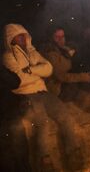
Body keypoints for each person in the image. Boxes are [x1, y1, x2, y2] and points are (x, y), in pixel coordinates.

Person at [2, 24, 83, 171]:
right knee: (42, 123)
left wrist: (30, 70)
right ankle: (45, 163)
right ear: (10, 39)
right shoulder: (8, 56)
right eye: (18, 36)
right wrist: (37, 73)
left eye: (24, 35)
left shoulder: (33, 53)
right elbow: (19, 80)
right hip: (26, 94)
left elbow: (49, 69)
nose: (22, 38)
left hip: (44, 92)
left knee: (65, 115)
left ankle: (73, 154)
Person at [42, 27, 90, 98]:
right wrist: (83, 77)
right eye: (57, 37)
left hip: (61, 85)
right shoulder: (50, 53)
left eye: (62, 36)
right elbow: (60, 76)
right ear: (51, 38)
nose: (61, 39)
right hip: (52, 89)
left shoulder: (62, 49)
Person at [0, 64, 31, 172]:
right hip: (6, 116)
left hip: (10, 113)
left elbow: (16, 82)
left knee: (19, 151)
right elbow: (14, 82)